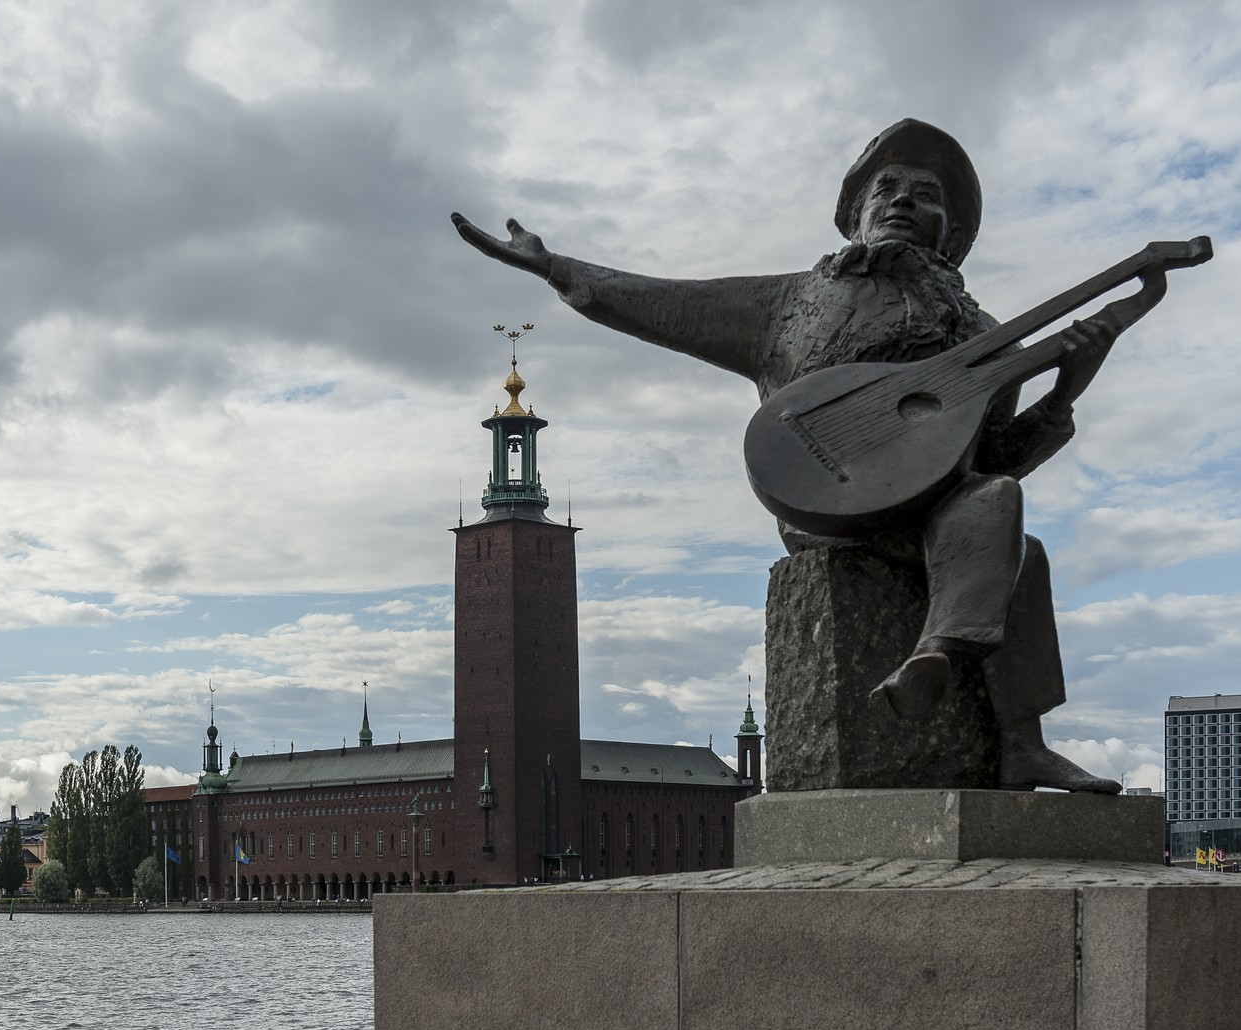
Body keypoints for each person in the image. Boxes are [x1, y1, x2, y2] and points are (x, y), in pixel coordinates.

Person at [451, 118, 1120, 793]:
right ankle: (966, 684)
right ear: (854, 214)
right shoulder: (790, 301)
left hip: (932, 512)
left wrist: (1067, 389)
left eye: (927, 193)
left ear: (952, 229)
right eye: (885, 188)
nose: (904, 200)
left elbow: (995, 457)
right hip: (823, 501)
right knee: (1005, 535)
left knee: (1007, 525)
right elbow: (660, 302)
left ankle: (999, 723)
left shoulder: (985, 336)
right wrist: (555, 266)